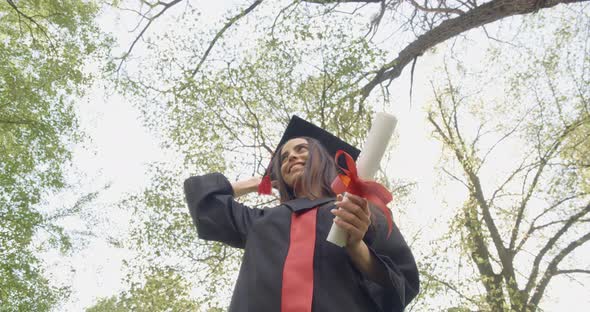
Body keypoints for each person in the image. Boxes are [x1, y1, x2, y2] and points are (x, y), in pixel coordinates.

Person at [184, 116, 419, 312]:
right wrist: (256, 183)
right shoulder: (261, 221)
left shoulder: (357, 210)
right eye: (284, 158)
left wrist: (357, 247)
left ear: (323, 160)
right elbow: (206, 204)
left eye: (301, 149)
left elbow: (401, 284)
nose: (292, 157)